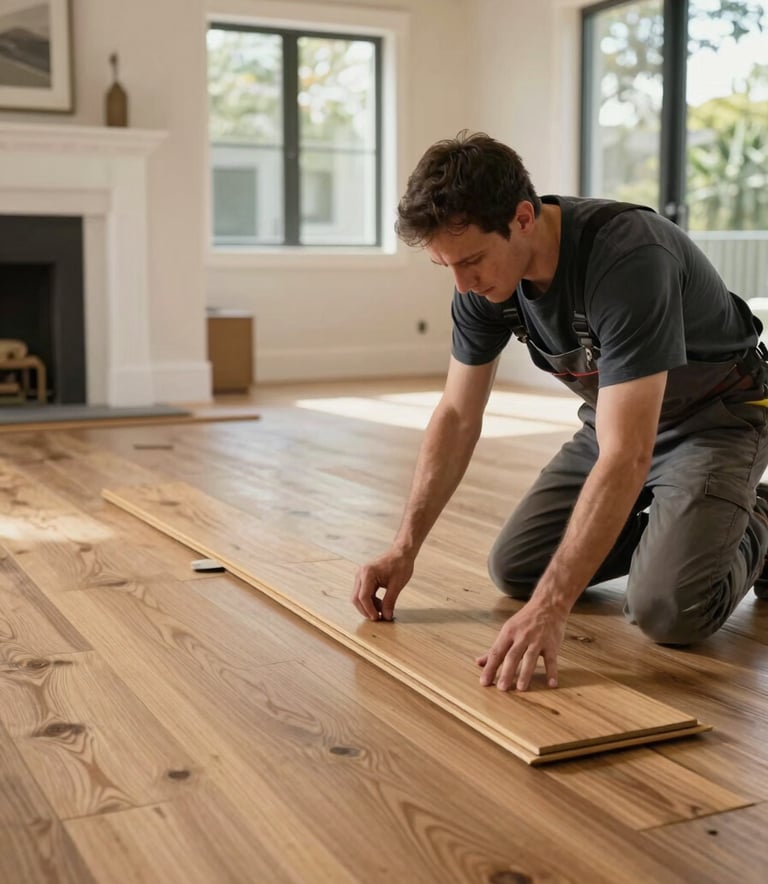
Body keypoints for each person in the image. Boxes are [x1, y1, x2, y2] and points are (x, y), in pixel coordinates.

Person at [350, 130, 768, 692]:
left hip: (713, 421)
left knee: (667, 611)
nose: (463, 283)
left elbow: (628, 454)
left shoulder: (628, 258)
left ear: (523, 217)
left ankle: (756, 518)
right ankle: (685, 528)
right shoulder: (483, 283)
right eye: (445, 266)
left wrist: (553, 608)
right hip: (615, 421)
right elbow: (456, 415)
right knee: (517, 569)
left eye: (471, 260)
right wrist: (403, 547)